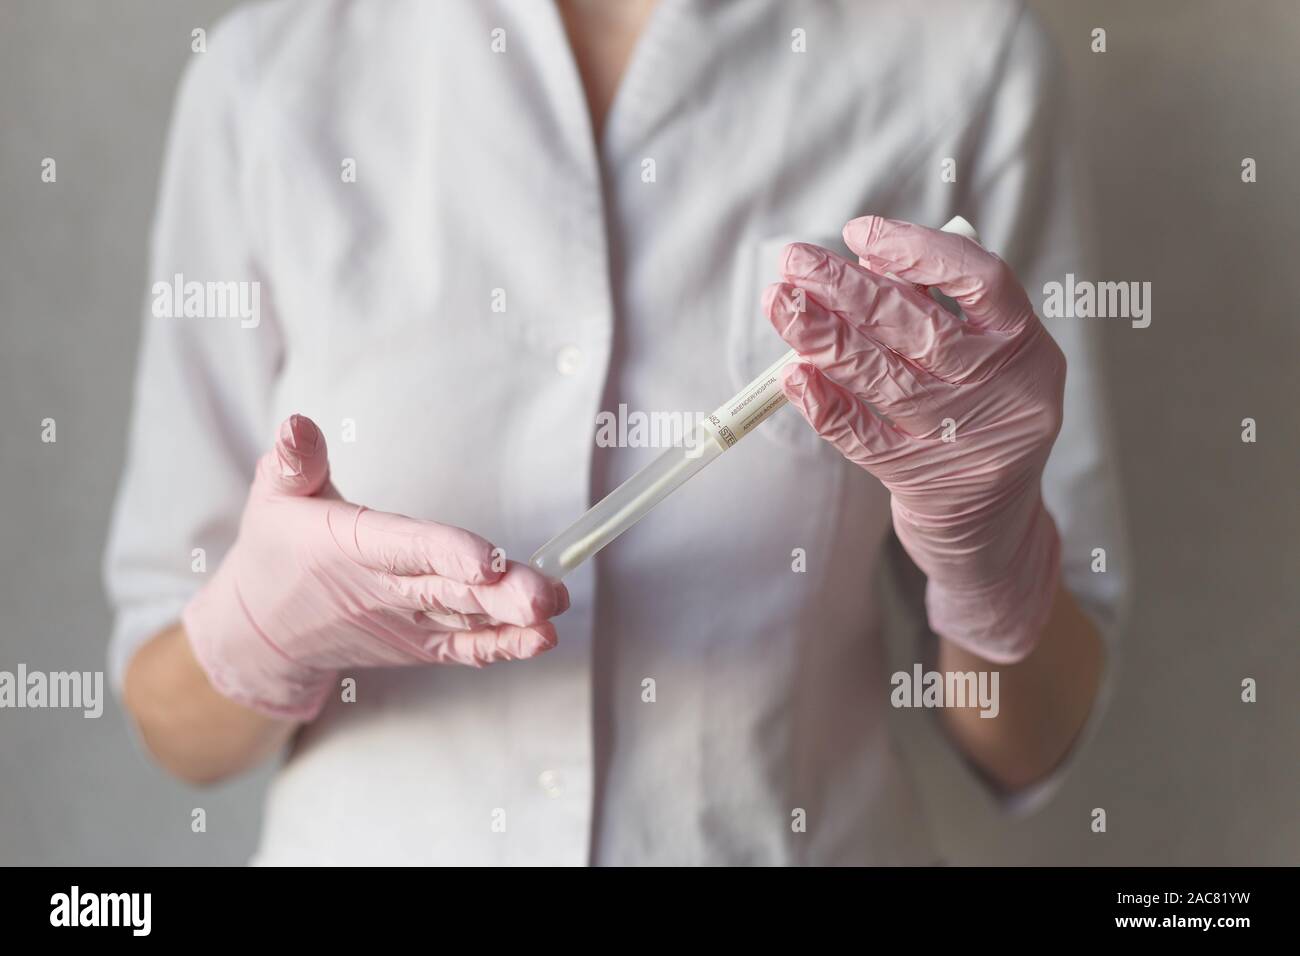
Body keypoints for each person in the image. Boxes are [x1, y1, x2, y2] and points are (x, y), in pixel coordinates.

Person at [105, 0, 1127, 865]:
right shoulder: (268, 75)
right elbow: (171, 718)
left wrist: (989, 560)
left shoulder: (958, 59)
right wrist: (265, 633)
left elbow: (1028, 738)